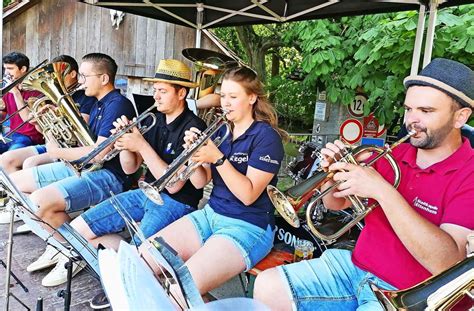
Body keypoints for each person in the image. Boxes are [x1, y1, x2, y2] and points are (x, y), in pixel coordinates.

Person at [253, 58, 474, 310]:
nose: (411, 120)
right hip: (354, 268)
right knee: (267, 285)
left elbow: (447, 262)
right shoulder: (393, 155)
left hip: (406, 295)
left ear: (460, 117)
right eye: (409, 109)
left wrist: (382, 191)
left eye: (426, 111)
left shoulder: (470, 173)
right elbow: (335, 204)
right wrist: (334, 174)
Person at [139, 67, 286, 305]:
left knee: (179, 288)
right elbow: (200, 181)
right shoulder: (221, 131)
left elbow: (248, 195)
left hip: (248, 225)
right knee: (145, 258)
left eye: (233, 97)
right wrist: (194, 154)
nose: (225, 103)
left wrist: (217, 158)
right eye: (223, 96)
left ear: (252, 98)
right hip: (211, 214)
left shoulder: (266, 137)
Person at [70, 59, 207, 309]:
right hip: (145, 192)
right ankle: (124, 270)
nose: (156, 95)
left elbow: (174, 186)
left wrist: (141, 145)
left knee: (133, 265)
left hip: (176, 203)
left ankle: (131, 285)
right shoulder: (153, 118)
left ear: (182, 93)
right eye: (154, 89)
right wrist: (124, 141)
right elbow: (129, 168)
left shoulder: (194, 128)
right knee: (78, 230)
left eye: (162, 90)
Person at [10, 53, 136, 287]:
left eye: (85, 76)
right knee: (16, 186)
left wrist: (57, 153)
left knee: (38, 201)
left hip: (109, 175)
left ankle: (72, 251)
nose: (81, 80)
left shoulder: (118, 105)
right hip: (86, 167)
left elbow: (98, 153)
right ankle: (62, 246)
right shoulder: (99, 103)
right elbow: (78, 144)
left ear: (104, 78)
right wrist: (45, 124)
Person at [0, 55, 96, 224]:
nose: (53, 79)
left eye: (58, 74)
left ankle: (42, 210)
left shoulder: (84, 97)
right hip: (53, 144)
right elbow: (37, 126)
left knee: (30, 163)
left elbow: (80, 130)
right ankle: (26, 210)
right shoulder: (58, 96)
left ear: (72, 74)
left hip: (68, 147)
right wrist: (41, 119)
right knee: (6, 160)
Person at [1, 52, 44, 152]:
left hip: (30, 137)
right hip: (11, 135)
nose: (6, 73)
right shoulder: (8, 89)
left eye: (10, 69)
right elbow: (2, 116)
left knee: (11, 155)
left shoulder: (37, 90)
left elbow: (27, 119)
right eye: (5, 68)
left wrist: (16, 93)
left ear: (23, 69)